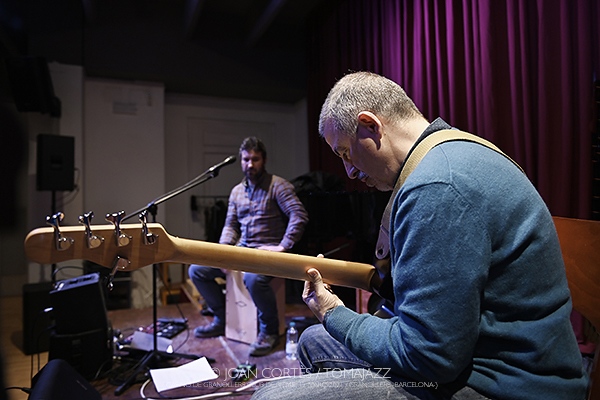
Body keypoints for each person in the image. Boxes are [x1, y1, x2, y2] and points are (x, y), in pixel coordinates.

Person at [252, 72, 588, 399]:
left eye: (345, 152)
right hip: (478, 356)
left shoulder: (437, 185)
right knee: (314, 341)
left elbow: (429, 356)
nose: (350, 171)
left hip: (508, 383)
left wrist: (332, 311)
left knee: (271, 396)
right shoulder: (452, 152)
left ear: (370, 125)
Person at [188, 136, 308, 357]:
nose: (250, 164)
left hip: (268, 253)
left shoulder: (278, 186)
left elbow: (298, 215)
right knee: (197, 270)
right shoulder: (236, 192)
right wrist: (224, 251)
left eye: (255, 159)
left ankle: (269, 331)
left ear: (264, 160)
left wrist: (283, 246)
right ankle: (222, 319)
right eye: (245, 160)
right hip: (242, 250)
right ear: (241, 160)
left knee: (252, 278)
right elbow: (231, 225)